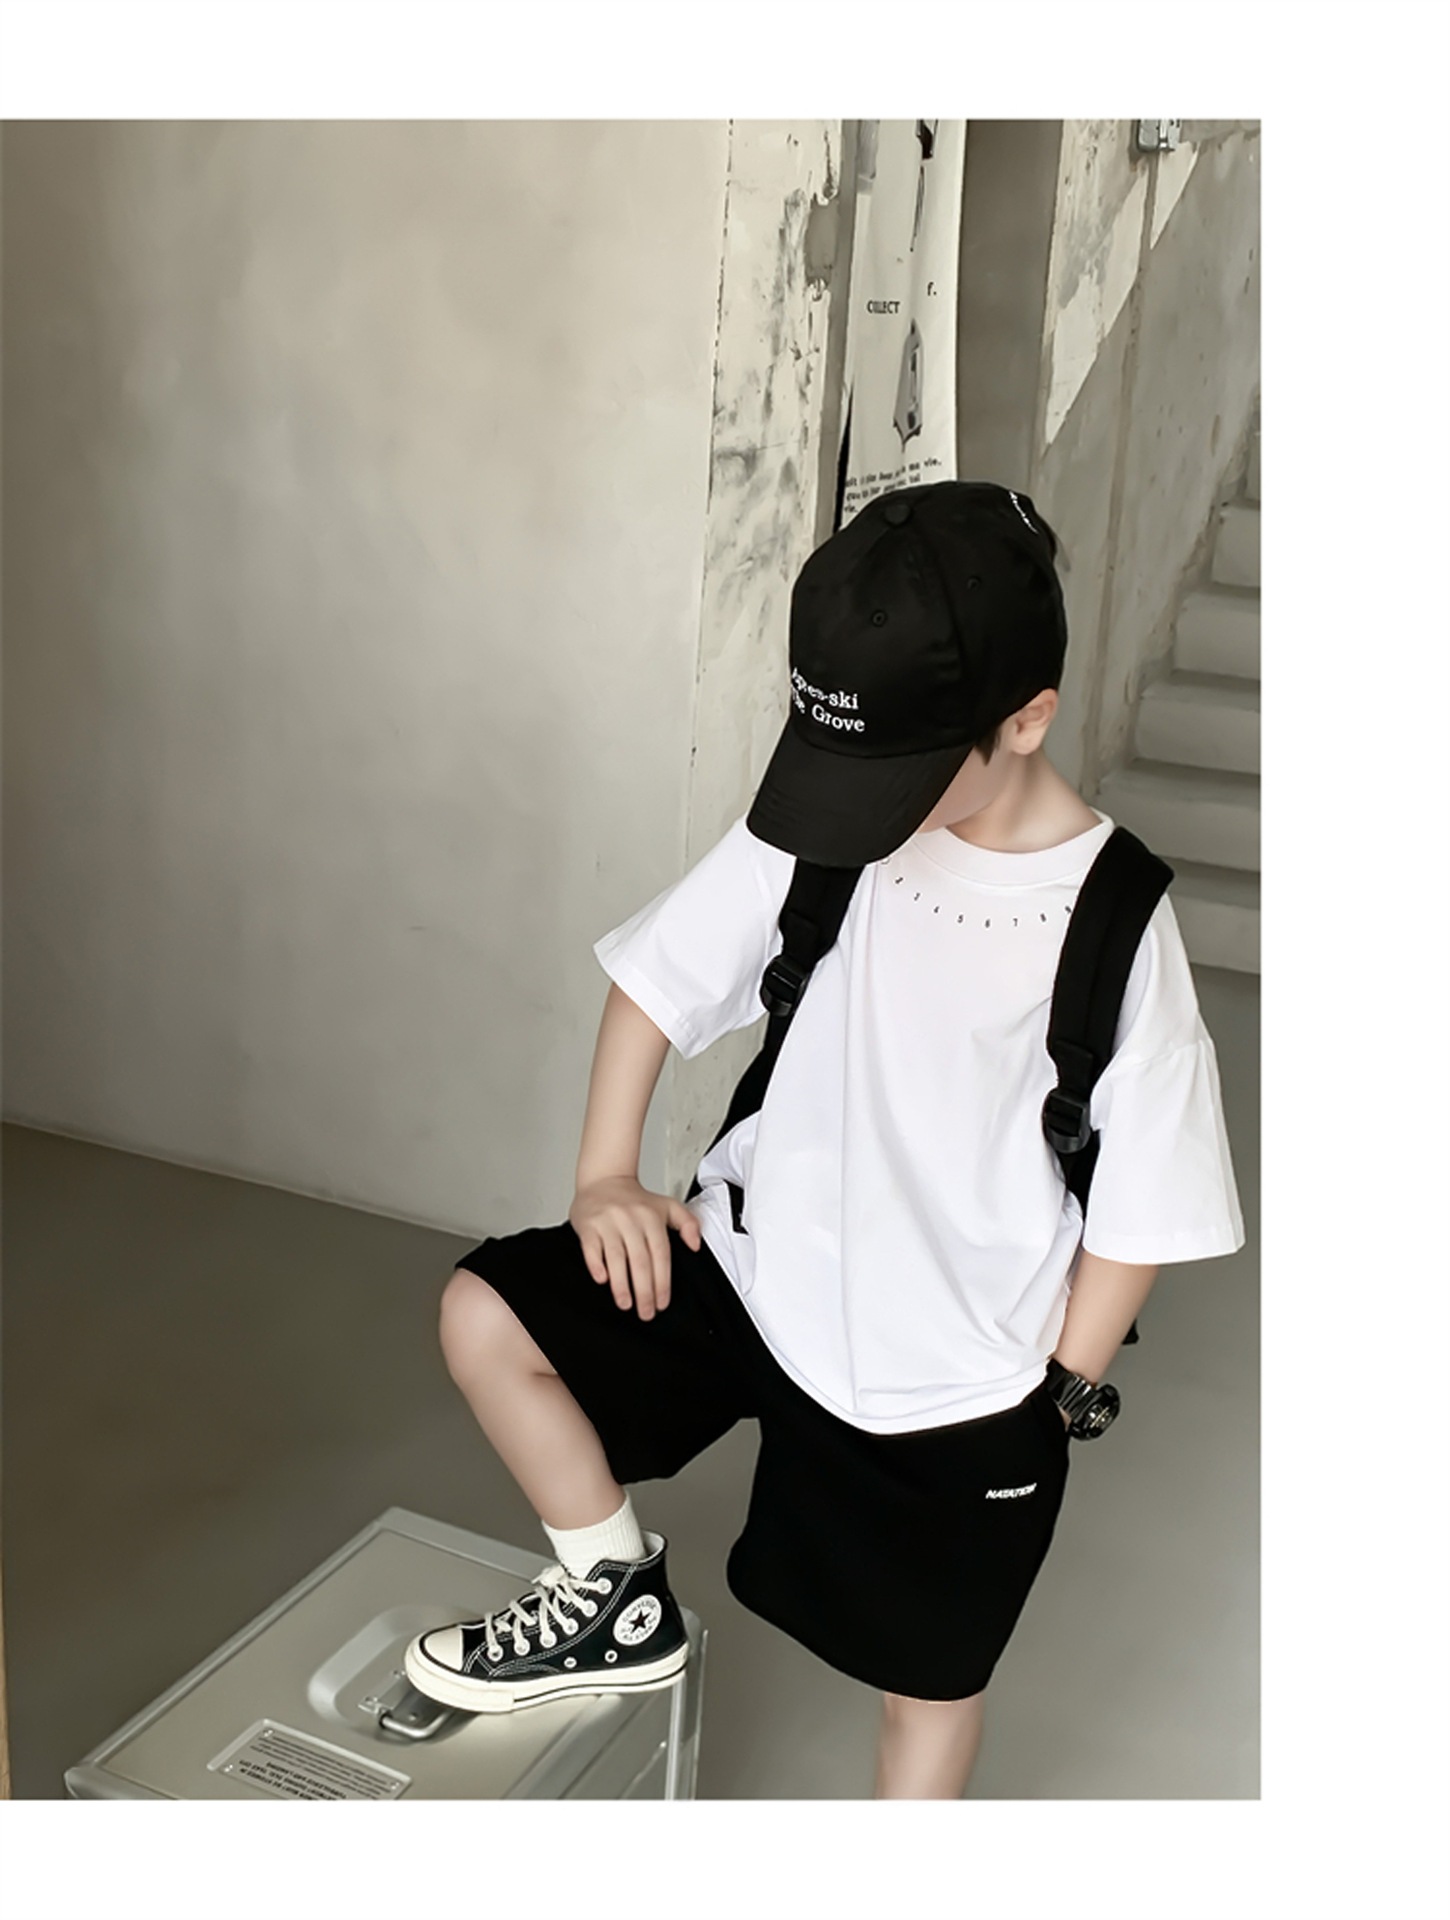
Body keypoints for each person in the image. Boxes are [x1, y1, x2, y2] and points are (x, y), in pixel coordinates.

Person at [404, 479, 1245, 1798]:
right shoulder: (831, 827)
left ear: (1026, 719)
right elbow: (657, 982)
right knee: (486, 1316)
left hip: (955, 1377)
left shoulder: (1118, 921)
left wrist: (1055, 1395)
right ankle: (611, 1593)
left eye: (891, 775)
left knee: (930, 1691)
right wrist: (605, 1173)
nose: (852, 805)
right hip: (756, 1271)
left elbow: (1144, 1203)